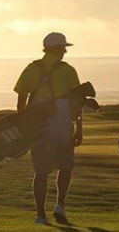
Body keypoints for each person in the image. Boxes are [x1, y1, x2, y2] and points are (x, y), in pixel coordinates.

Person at [14, 32, 83, 226]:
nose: (64, 51)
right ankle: (59, 205)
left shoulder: (31, 68)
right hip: (62, 121)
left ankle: (40, 214)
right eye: (63, 48)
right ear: (57, 49)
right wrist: (79, 129)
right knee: (66, 166)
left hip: (38, 124)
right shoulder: (68, 70)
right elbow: (77, 103)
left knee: (41, 170)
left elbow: (21, 99)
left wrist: (24, 124)